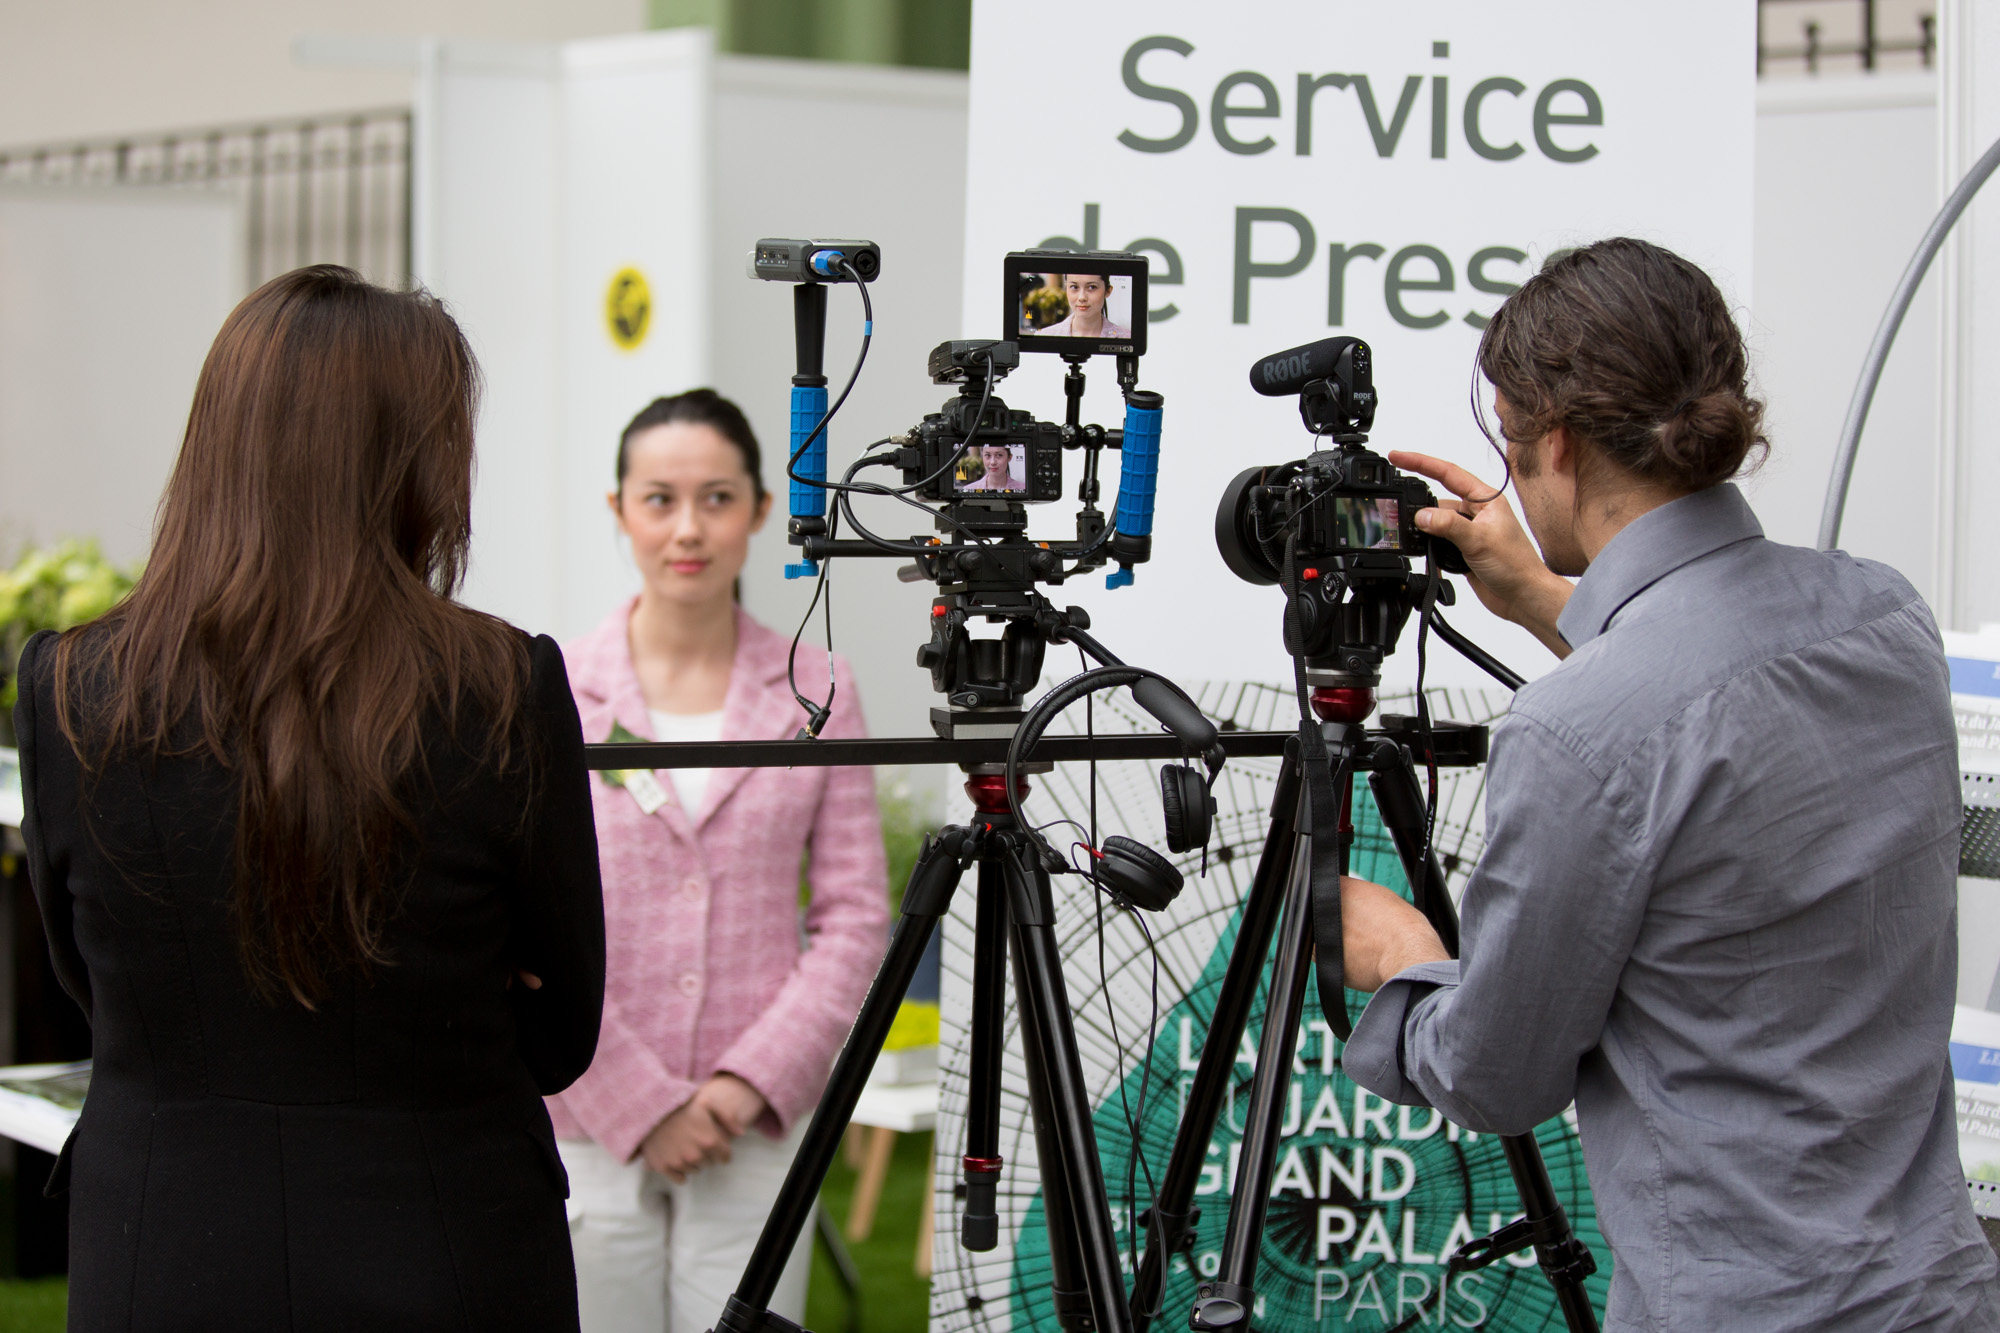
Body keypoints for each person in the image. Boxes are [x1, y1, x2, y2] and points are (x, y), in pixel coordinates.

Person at [1335, 237, 2000, 1330]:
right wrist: (1551, 602)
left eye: (1505, 442)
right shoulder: (1885, 618)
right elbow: (1718, 712)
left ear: (1551, 444)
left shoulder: (1575, 731)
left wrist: (1401, 960)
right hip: (1937, 1290)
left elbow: (1495, 1076)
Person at [12, 265, 606, 1331]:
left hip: (161, 1240)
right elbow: (561, 1027)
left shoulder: (70, 686)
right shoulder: (500, 685)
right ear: (418, 460)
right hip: (447, 1232)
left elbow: (82, 979)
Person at [549, 388, 889, 1333]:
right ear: (618, 510)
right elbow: (521, 920)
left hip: (755, 1119)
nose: (687, 528)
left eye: (717, 497)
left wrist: (748, 1081)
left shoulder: (818, 687)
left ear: (760, 512)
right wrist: (634, 1095)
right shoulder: (554, 690)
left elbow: (857, 912)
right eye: (659, 498)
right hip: (589, 1108)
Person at [1034, 272, 1130, 339]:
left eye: (1092, 287)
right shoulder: (1045, 335)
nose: (1082, 297)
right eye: (1074, 287)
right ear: (1066, 289)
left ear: (1108, 291)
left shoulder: (1125, 337)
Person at [957, 442, 1023, 492]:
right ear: (982, 457)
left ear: (1009, 457)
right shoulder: (969, 489)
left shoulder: (1021, 488)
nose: (993, 462)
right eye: (987, 455)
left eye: (999, 455)